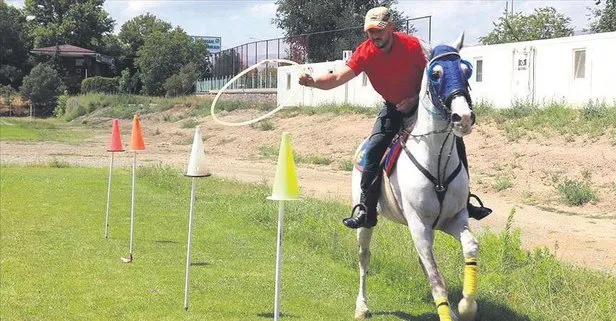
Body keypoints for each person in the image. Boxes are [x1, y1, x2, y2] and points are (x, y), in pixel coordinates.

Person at [298, 6, 491, 229]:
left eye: (378, 30)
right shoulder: (365, 52)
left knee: (456, 143)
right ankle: (366, 210)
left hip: (422, 107)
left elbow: (434, 78)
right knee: (374, 149)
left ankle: (465, 202)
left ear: (391, 27)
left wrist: (414, 99)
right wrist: (313, 82)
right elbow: (338, 77)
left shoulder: (413, 46)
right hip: (392, 109)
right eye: (370, 31)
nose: (374, 36)